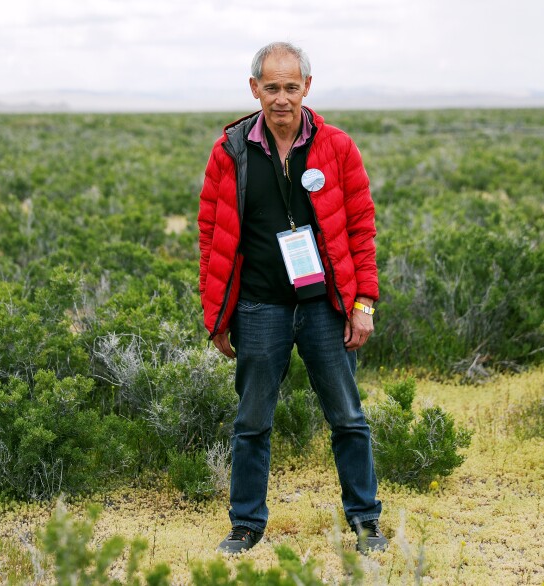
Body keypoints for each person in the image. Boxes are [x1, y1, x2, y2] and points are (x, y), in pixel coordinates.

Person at [198, 41, 386, 555]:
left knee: (348, 417)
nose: (281, 98)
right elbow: (211, 233)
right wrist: (216, 316)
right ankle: (246, 524)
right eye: (271, 87)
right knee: (252, 420)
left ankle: (366, 520)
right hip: (260, 307)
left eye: (291, 86)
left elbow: (361, 228)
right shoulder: (231, 151)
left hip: (325, 307)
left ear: (307, 86)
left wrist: (363, 303)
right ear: (254, 88)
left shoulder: (337, 147)